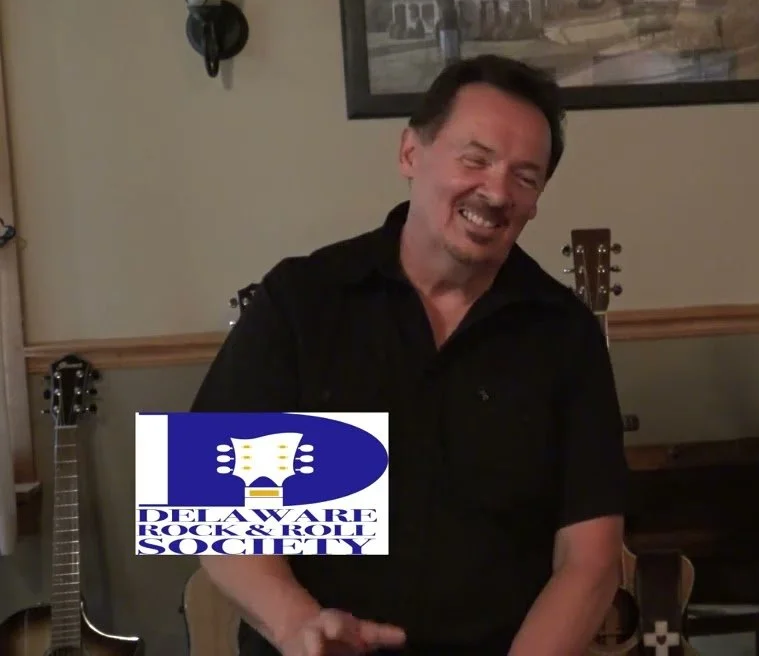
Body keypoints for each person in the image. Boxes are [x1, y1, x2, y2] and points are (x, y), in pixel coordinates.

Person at [192, 55, 628, 656]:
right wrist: (298, 624)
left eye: (525, 178)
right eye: (475, 159)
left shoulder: (564, 333)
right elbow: (215, 511)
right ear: (409, 154)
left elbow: (590, 557)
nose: (497, 192)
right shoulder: (302, 300)